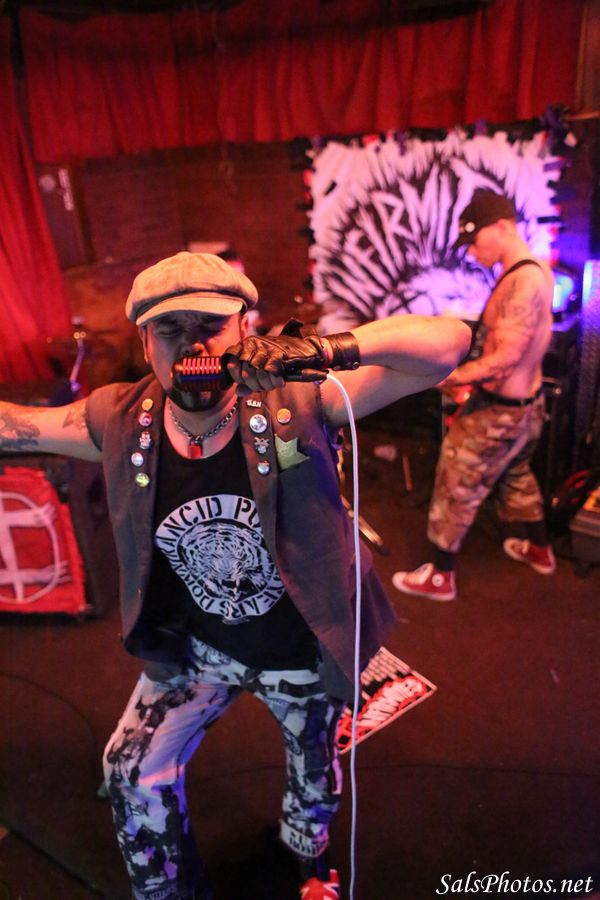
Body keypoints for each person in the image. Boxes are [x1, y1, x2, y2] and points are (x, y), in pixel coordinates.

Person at [0, 251, 470, 900]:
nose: (193, 343)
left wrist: (327, 350)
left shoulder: (299, 399)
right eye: (171, 329)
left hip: (299, 651)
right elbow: (15, 426)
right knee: (129, 766)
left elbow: (449, 345)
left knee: (313, 771)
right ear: (145, 342)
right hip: (196, 650)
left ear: (245, 328)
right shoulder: (122, 417)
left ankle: (310, 862)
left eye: (210, 326)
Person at [393, 189, 556, 603]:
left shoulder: (521, 281)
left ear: (501, 227)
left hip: (499, 413)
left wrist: (445, 377)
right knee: (517, 476)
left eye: (473, 238)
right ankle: (540, 551)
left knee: (454, 482)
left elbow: (505, 360)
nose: (470, 250)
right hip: (527, 408)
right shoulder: (537, 270)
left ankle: (440, 577)